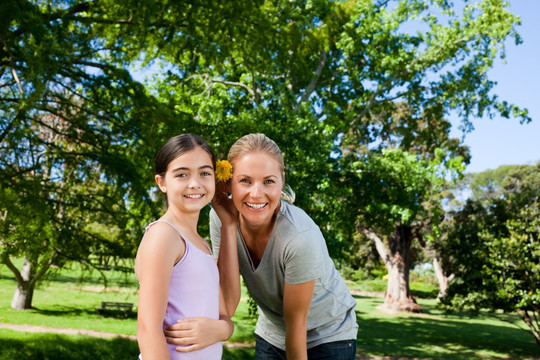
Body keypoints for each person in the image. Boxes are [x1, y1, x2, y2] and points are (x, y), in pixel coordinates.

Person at [168, 133, 358, 359]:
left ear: (281, 183)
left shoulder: (299, 237)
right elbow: (226, 305)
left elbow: (297, 324)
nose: (256, 194)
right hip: (273, 331)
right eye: (245, 181)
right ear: (228, 183)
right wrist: (229, 225)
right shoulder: (220, 218)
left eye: (268, 181)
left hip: (328, 333)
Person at [135, 133, 233, 360]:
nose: (195, 183)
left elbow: (223, 314)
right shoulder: (164, 235)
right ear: (162, 183)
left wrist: (224, 329)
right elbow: (148, 331)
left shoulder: (201, 244)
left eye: (205, 173)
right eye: (182, 174)